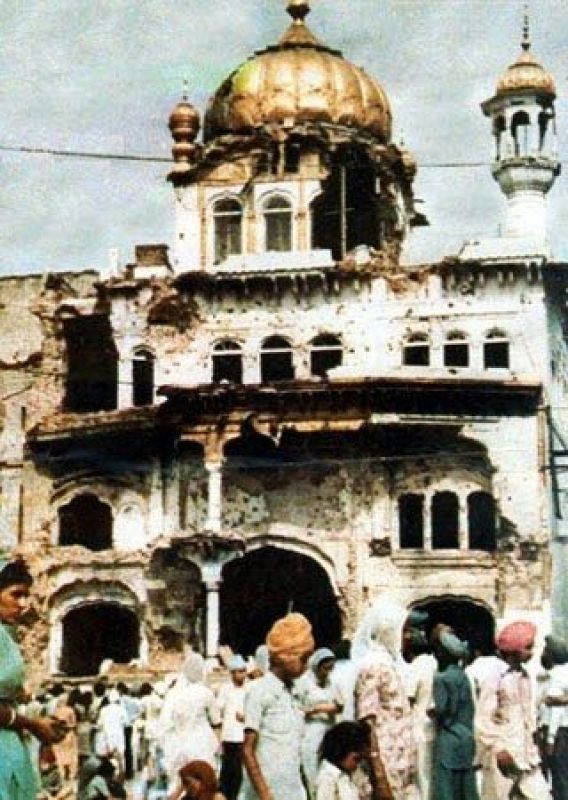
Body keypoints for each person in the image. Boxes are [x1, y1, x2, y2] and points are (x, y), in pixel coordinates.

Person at [0, 556, 67, 800]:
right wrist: (32, 724)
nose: (24, 603)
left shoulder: (6, 636)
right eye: (15, 595)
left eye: (26, 595)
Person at [239, 612, 315, 800]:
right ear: (286, 657)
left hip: (293, 791)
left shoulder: (295, 694)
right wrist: (265, 794)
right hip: (266, 793)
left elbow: (295, 750)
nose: (306, 667)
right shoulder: (260, 692)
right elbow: (248, 750)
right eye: (303, 660)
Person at [476, 620, 551, 800]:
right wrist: (498, 749)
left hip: (526, 755)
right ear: (515, 650)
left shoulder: (524, 677)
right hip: (503, 755)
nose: (531, 653)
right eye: (528, 648)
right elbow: (484, 717)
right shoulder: (495, 676)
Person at [353, 600, 419, 800]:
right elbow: (367, 722)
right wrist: (379, 774)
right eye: (404, 630)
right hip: (385, 765)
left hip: (400, 764)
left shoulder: (390, 664)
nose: (408, 636)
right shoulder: (373, 666)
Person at [158, 652, 221, 793]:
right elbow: (216, 722)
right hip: (202, 745)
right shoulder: (206, 693)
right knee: (205, 785)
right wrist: (218, 747)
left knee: (180, 786)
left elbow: (165, 723)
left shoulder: (173, 694)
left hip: (179, 746)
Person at [429, 629, 479, 800]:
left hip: (449, 739)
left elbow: (443, 710)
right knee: (466, 788)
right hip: (466, 737)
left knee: (446, 789)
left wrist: (432, 713)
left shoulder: (441, 679)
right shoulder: (463, 676)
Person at [298, 648, 343, 799]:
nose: (327, 673)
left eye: (331, 669)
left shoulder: (332, 683)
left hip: (328, 730)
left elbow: (339, 704)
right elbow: (299, 707)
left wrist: (318, 708)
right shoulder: (305, 683)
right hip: (310, 731)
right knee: (311, 770)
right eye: (325, 668)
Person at [217, 654, 247, 800]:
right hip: (229, 736)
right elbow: (218, 709)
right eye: (239, 671)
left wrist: (245, 717)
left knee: (239, 774)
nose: (243, 675)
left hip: (243, 737)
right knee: (227, 773)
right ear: (232, 673)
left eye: (244, 671)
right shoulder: (225, 689)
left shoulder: (250, 689)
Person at [315, 721, 370, 800]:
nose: (357, 765)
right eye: (356, 759)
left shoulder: (350, 775)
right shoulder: (328, 777)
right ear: (342, 752)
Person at [543, 634, 568, 800]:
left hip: (559, 732)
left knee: (559, 777)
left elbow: (556, 711)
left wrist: (550, 738)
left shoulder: (556, 675)